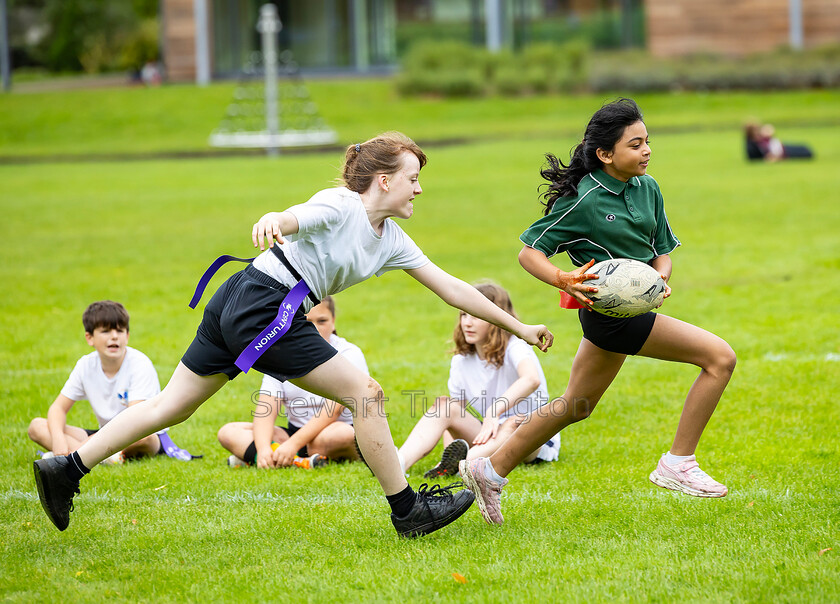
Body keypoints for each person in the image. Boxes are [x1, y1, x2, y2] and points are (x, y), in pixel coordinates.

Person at [33, 131, 554, 538]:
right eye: (412, 177)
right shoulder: (343, 204)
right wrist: (272, 218)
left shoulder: (391, 238)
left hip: (243, 298)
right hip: (264, 304)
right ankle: (407, 510)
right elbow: (295, 215)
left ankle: (67, 467)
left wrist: (521, 328)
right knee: (365, 394)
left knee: (172, 406)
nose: (419, 188)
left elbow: (454, 289)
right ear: (384, 180)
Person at [460, 99, 737, 525]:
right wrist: (562, 278)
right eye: (635, 144)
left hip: (630, 313)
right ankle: (678, 463)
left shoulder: (649, 188)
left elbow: (662, 249)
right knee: (719, 358)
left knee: (576, 404)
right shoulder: (583, 200)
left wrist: (658, 279)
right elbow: (529, 252)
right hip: (609, 317)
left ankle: (489, 468)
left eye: (647, 142)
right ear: (606, 154)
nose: (646, 151)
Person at [396, 282, 560, 479]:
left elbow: (531, 379)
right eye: (464, 315)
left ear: (496, 318)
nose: (467, 323)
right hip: (489, 434)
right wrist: (450, 449)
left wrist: (494, 410)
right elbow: (455, 416)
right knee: (445, 406)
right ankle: (397, 464)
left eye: (475, 316)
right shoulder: (461, 360)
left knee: (513, 422)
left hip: (532, 439)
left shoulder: (515, 346)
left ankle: (458, 469)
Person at [218, 296, 363, 468]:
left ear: (333, 321)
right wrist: (263, 447)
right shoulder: (280, 356)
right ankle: (296, 461)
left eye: (322, 321)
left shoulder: (349, 354)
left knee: (345, 435)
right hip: (292, 434)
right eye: (307, 322)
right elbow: (266, 410)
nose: (315, 329)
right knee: (228, 433)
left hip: (330, 432)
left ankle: (265, 457)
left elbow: (332, 411)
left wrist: (292, 445)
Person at [27, 301, 163, 464]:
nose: (114, 336)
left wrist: (79, 449)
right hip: (103, 434)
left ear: (127, 336)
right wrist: (58, 443)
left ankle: (78, 456)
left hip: (135, 432)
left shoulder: (140, 363)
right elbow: (58, 408)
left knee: (146, 438)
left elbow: (134, 419)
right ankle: (103, 456)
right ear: (89, 338)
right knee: (37, 426)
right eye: (105, 331)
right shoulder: (86, 365)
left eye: (120, 331)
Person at [744, 120, 813, 162]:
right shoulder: (753, 145)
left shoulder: (761, 138)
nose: (758, 132)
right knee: (806, 152)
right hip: (782, 153)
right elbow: (765, 157)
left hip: (782, 148)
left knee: (804, 148)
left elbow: (770, 129)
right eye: (755, 130)